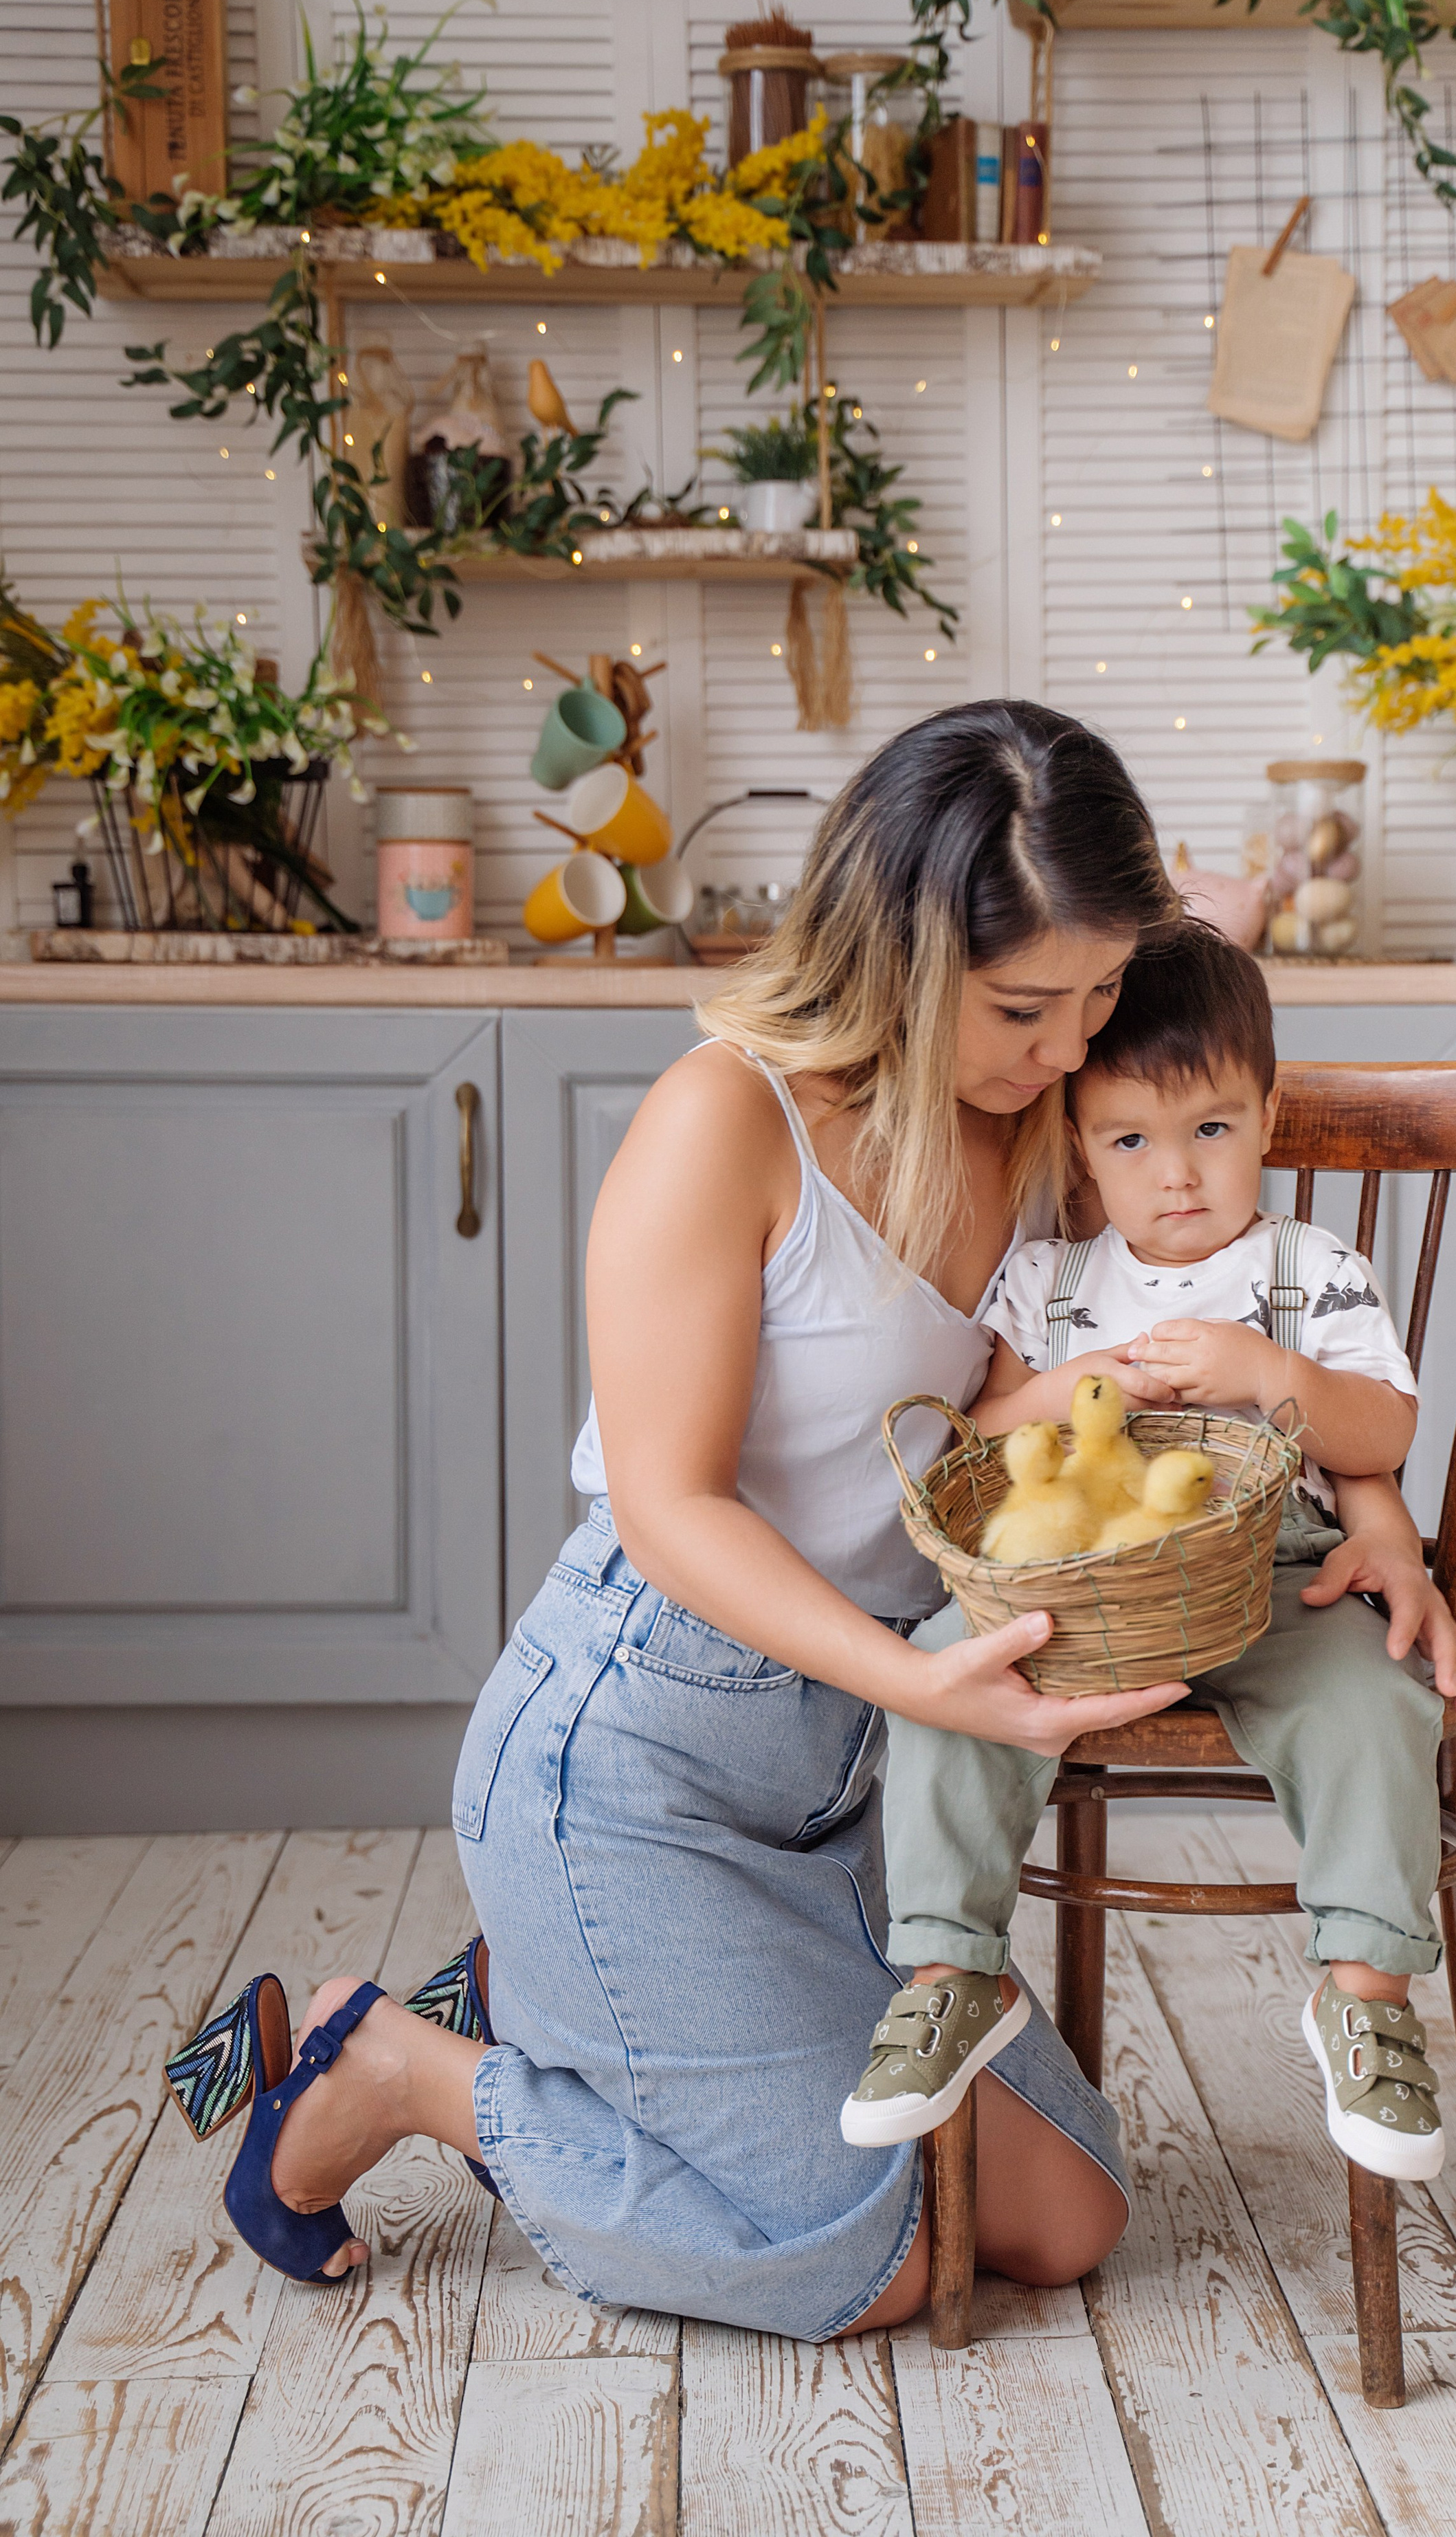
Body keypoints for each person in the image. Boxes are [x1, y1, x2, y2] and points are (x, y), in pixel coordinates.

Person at [162, 699, 1189, 2330]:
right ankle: (412, 2070)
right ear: (905, 953)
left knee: (1061, 2219)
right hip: (630, 1764)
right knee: (881, 2262)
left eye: (1101, 994)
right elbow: (666, 1506)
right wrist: (917, 1680)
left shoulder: (1025, 1124)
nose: (1069, 1050)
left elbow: (985, 1414)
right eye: (1022, 1006)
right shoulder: (728, 1120)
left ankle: (539, 1997)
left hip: (837, 1790)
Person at [840, 922, 1456, 2185]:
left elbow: (1383, 1429)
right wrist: (1067, 1390)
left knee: (1368, 1698)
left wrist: (1269, 1371)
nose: (1176, 1177)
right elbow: (975, 1438)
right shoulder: (1054, 1282)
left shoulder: (1310, 1269)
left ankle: (1365, 1994)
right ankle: (949, 1974)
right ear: (1079, 1149)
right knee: (943, 1677)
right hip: (1081, 1580)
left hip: (1273, 1577)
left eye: (1211, 1131)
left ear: (1265, 1115)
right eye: (1130, 1140)